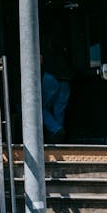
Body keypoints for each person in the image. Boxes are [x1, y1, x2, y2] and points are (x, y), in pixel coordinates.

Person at [41, 14, 73, 143]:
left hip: (51, 76)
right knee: (59, 109)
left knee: (40, 107)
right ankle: (58, 137)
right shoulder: (66, 39)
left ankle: (56, 130)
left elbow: (39, 60)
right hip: (66, 78)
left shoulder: (43, 39)